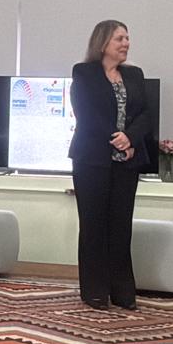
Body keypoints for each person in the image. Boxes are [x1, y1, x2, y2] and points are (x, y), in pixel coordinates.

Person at [68, 20, 152, 310]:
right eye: (120, 38)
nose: (126, 43)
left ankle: (122, 292)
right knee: (93, 225)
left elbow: (145, 114)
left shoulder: (134, 75)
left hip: (127, 162)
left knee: (120, 226)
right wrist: (117, 139)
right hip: (92, 159)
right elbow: (85, 112)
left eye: (127, 38)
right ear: (103, 42)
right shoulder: (84, 73)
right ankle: (94, 291)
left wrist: (130, 139)